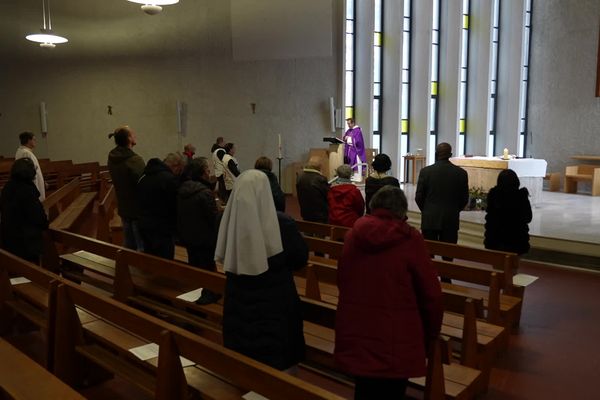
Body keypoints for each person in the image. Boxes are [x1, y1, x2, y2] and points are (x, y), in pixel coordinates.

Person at [335, 186, 443, 400]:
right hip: (397, 337)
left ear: (373, 207)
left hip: (359, 330)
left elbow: (343, 279)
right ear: (402, 213)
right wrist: (431, 335)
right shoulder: (410, 239)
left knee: (364, 390)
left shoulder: (353, 235)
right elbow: (432, 295)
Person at [215, 170, 307, 371]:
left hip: (238, 306)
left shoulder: (229, 222)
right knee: (279, 365)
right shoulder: (283, 224)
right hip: (276, 307)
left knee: (244, 363)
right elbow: (300, 259)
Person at [415, 142, 468, 245]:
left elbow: (419, 197)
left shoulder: (425, 172)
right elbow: (464, 199)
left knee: (429, 254)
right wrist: (454, 210)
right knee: (448, 253)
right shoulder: (461, 173)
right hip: (450, 218)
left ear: (436, 154)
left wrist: (426, 210)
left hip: (430, 218)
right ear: (450, 155)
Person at [137, 153, 186, 259]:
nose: (178, 174)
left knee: (150, 257)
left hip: (144, 224)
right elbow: (174, 205)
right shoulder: (169, 179)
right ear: (176, 166)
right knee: (165, 260)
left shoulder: (144, 175)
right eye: (179, 170)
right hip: (162, 228)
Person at [0, 158, 49, 264]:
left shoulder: (7, 187)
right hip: (26, 244)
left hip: (8, 240)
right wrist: (45, 223)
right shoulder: (27, 191)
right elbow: (39, 218)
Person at [107, 126, 145, 251]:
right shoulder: (134, 160)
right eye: (133, 134)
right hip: (137, 209)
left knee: (129, 244)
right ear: (128, 138)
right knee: (141, 246)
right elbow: (143, 184)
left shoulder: (112, 157)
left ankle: (128, 268)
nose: (135, 136)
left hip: (123, 206)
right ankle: (140, 269)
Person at [178, 157, 219, 271]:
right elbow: (213, 218)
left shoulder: (182, 188)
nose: (209, 172)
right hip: (205, 240)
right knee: (208, 269)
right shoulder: (204, 193)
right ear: (201, 172)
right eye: (207, 169)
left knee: (194, 266)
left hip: (188, 237)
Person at [484, 169, 533, 255]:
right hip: (517, 241)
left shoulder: (494, 195)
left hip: (496, 240)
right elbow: (528, 217)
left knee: (497, 265)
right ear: (516, 181)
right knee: (514, 266)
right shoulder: (520, 196)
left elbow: (490, 216)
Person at [296, 157, 330, 223]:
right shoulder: (320, 179)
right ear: (319, 167)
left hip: (305, 211)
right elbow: (327, 195)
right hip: (320, 214)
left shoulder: (299, 176)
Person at [15, 131, 45, 201]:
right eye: (34, 139)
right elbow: (28, 173)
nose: (35, 141)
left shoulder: (24, 152)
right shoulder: (25, 153)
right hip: (32, 187)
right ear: (29, 141)